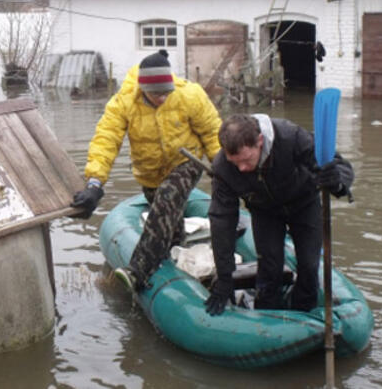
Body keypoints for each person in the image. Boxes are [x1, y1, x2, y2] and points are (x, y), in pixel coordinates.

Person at [70, 49, 222, 291]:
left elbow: (213, 133)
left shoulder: (189, 95)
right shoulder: (124, 103)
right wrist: (94, 182)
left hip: (186, 161)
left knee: (168, 197)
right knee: (169, 226)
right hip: (149, 171)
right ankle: (176, 269)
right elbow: (106, 140)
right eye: (156, 94)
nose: (162, 98)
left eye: (166, 93)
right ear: (143, 89)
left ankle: (138, 270)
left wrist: (225, 168)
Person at [205, 113, 354, 316]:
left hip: (304, 203)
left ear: (259, 141)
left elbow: (337, 163)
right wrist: (225, 278)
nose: (242, 168)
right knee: (269, 266)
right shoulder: (223, 167)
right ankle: (266, 313)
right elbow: (222, 220)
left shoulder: (290, 136)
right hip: (264, 211)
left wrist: (337, 182)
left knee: (309, 265)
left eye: (246, 160)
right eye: (235, 162)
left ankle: (304, 312)